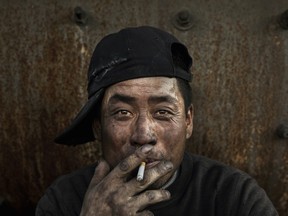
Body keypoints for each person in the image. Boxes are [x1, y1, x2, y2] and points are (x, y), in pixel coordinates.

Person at [36, 26, 278, 216]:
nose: (143, 135)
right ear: (98, 127)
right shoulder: (63, 201)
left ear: (188, 121)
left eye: (162, 112)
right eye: (122, 113)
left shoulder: (234, 197)